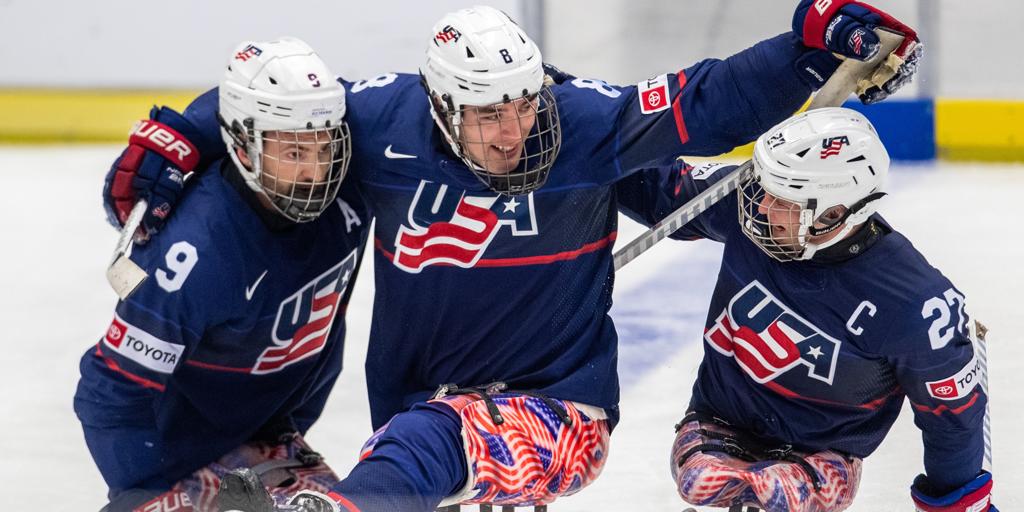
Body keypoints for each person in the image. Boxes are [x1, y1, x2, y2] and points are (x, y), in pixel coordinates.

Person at [98, 3, 922, 510]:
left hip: (559, 410)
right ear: (438, 103)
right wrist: (186, 131)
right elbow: (286, 103)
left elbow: (703, 102)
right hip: (413, 416)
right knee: (420, 444)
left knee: (429, 444)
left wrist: (808, 44)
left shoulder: (580, 124)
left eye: (524, 105)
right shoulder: (384, 122)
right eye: (487, 115)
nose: (513, 131)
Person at [616, 107, 994, 512]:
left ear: (834, 213)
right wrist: (575, 121)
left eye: (782, 200)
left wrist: (959, 504)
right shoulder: (748, 205)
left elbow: (952, 420)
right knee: (704, 481)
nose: (760, 207)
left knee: (777, 493)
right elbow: (652, 186)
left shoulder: (915, 303)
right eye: (763, 188)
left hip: (820, 457)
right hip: (717, 425)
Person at [74, 37, 370, 512]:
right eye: (294, 154)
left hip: (269, 434)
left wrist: (191, 129)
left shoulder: (353, 178)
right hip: (176, 459)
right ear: (243, 148)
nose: (317, 173)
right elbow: (108, 392)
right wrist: (144, 495)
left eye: (324, 148)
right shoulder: (192, 256)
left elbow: (395, 107)